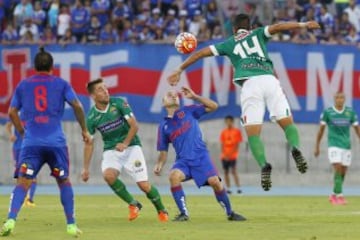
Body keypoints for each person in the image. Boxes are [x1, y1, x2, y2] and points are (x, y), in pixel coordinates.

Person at [167, 14, 321, 191]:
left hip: (249, 84)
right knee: (287, 124)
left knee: (253, 134)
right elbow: (279, 26)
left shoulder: (228, 43)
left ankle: (264, 164)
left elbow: (201, 53)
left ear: (234, 29)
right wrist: (304, 24)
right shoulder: (258, 33)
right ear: (249, 26)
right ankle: (294, 147)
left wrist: (179, 69)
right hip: (269, 80)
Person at [1, 47, 89, 237]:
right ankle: (71, 225)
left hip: (31, 143)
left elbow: (11, 112)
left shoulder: (23, 85)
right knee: (63, 181)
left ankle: (10, 220)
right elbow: (77, 105)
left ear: (34, 67)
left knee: (23, 183)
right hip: (56, 143)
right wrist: (84, 129)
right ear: (51, 67)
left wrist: (23, 131)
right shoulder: (61, 84)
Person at [82, 78, 168, 222]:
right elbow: (89, 143)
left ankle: (161, 210)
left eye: (105, 88)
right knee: (108, 176)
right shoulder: (91, 117)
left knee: (143, 185)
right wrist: (85, 168)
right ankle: (133, 204)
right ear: (93, 96)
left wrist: (125, 143)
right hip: (111, 150)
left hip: (132, 146)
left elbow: (134, 125)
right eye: (100, 90)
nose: (105, 91)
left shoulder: (119, 103)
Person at [154, 87, 246, 222]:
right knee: (174, 176)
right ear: (163, 103)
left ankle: (230, 213)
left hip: (201, 157)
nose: (174, 96)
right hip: (183, 161)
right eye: (169, 95)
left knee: (215, 182)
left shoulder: (189, 111)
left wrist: (195, 96)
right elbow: (163, 151)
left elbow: (214, 106)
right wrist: (160, 164)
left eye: (175, 95)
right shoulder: (163, 126)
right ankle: (183, 214)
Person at [314, 92, 360, 205]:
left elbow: (357, 129)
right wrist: (317, 146)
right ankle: (340, 196)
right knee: (338, 168)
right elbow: (321, 130)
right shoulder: (328, 112)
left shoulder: (350, 113)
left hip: (346, 146)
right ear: (334, 99)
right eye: (337, 98)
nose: (339, 100)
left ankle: (333, 194)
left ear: (344, 99)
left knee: (343, 172)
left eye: (342, 97)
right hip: (334, 145)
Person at [5, 120, 37, 207]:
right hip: (18, 148)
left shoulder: (33, 113)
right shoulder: (16, 113)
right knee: (20, 173)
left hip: (30, 147)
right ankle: (20, 197)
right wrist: (11, 135)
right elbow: (8, 125)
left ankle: (30, 199)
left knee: (32, 172)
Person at [220, 115, 243, 194]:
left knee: (234, 171)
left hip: (233, 156)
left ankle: (239, 188)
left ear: (232, 122)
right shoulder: (223, 132)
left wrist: (230, 154)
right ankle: (228, 188)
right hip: (224, 156)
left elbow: (237, 145)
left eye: (230, 121)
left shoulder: (237, 131)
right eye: (227, 121)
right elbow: (222, 144)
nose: (228, 123)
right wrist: (224, 154)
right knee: (226, 172)